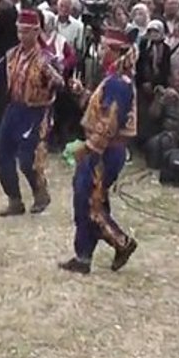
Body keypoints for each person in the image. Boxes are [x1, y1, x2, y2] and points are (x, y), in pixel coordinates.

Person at [0, 9, 63, 216]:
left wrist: (53, 75)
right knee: (3, 155)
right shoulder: (12, 54)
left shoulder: (45, 58)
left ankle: (40, 192)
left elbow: (60, 84)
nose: (22, 36)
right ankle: (14, 199)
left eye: (26, 32)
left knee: (27, 159)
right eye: (19, 32)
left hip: (37, 111)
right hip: (15, 108)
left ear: (36, 32)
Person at [59, 28, 139, 275]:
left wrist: (89, 147)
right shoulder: (112, 79)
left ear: (117, 52)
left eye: (106, 48)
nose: (102, 51)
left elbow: (110, 121)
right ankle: (83, 256)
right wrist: (82, 93)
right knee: (89, 198)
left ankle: (120, 242)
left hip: (104, 152)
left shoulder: (118, 83)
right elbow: (100, 111)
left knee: (88, 202)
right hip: (101, 148)